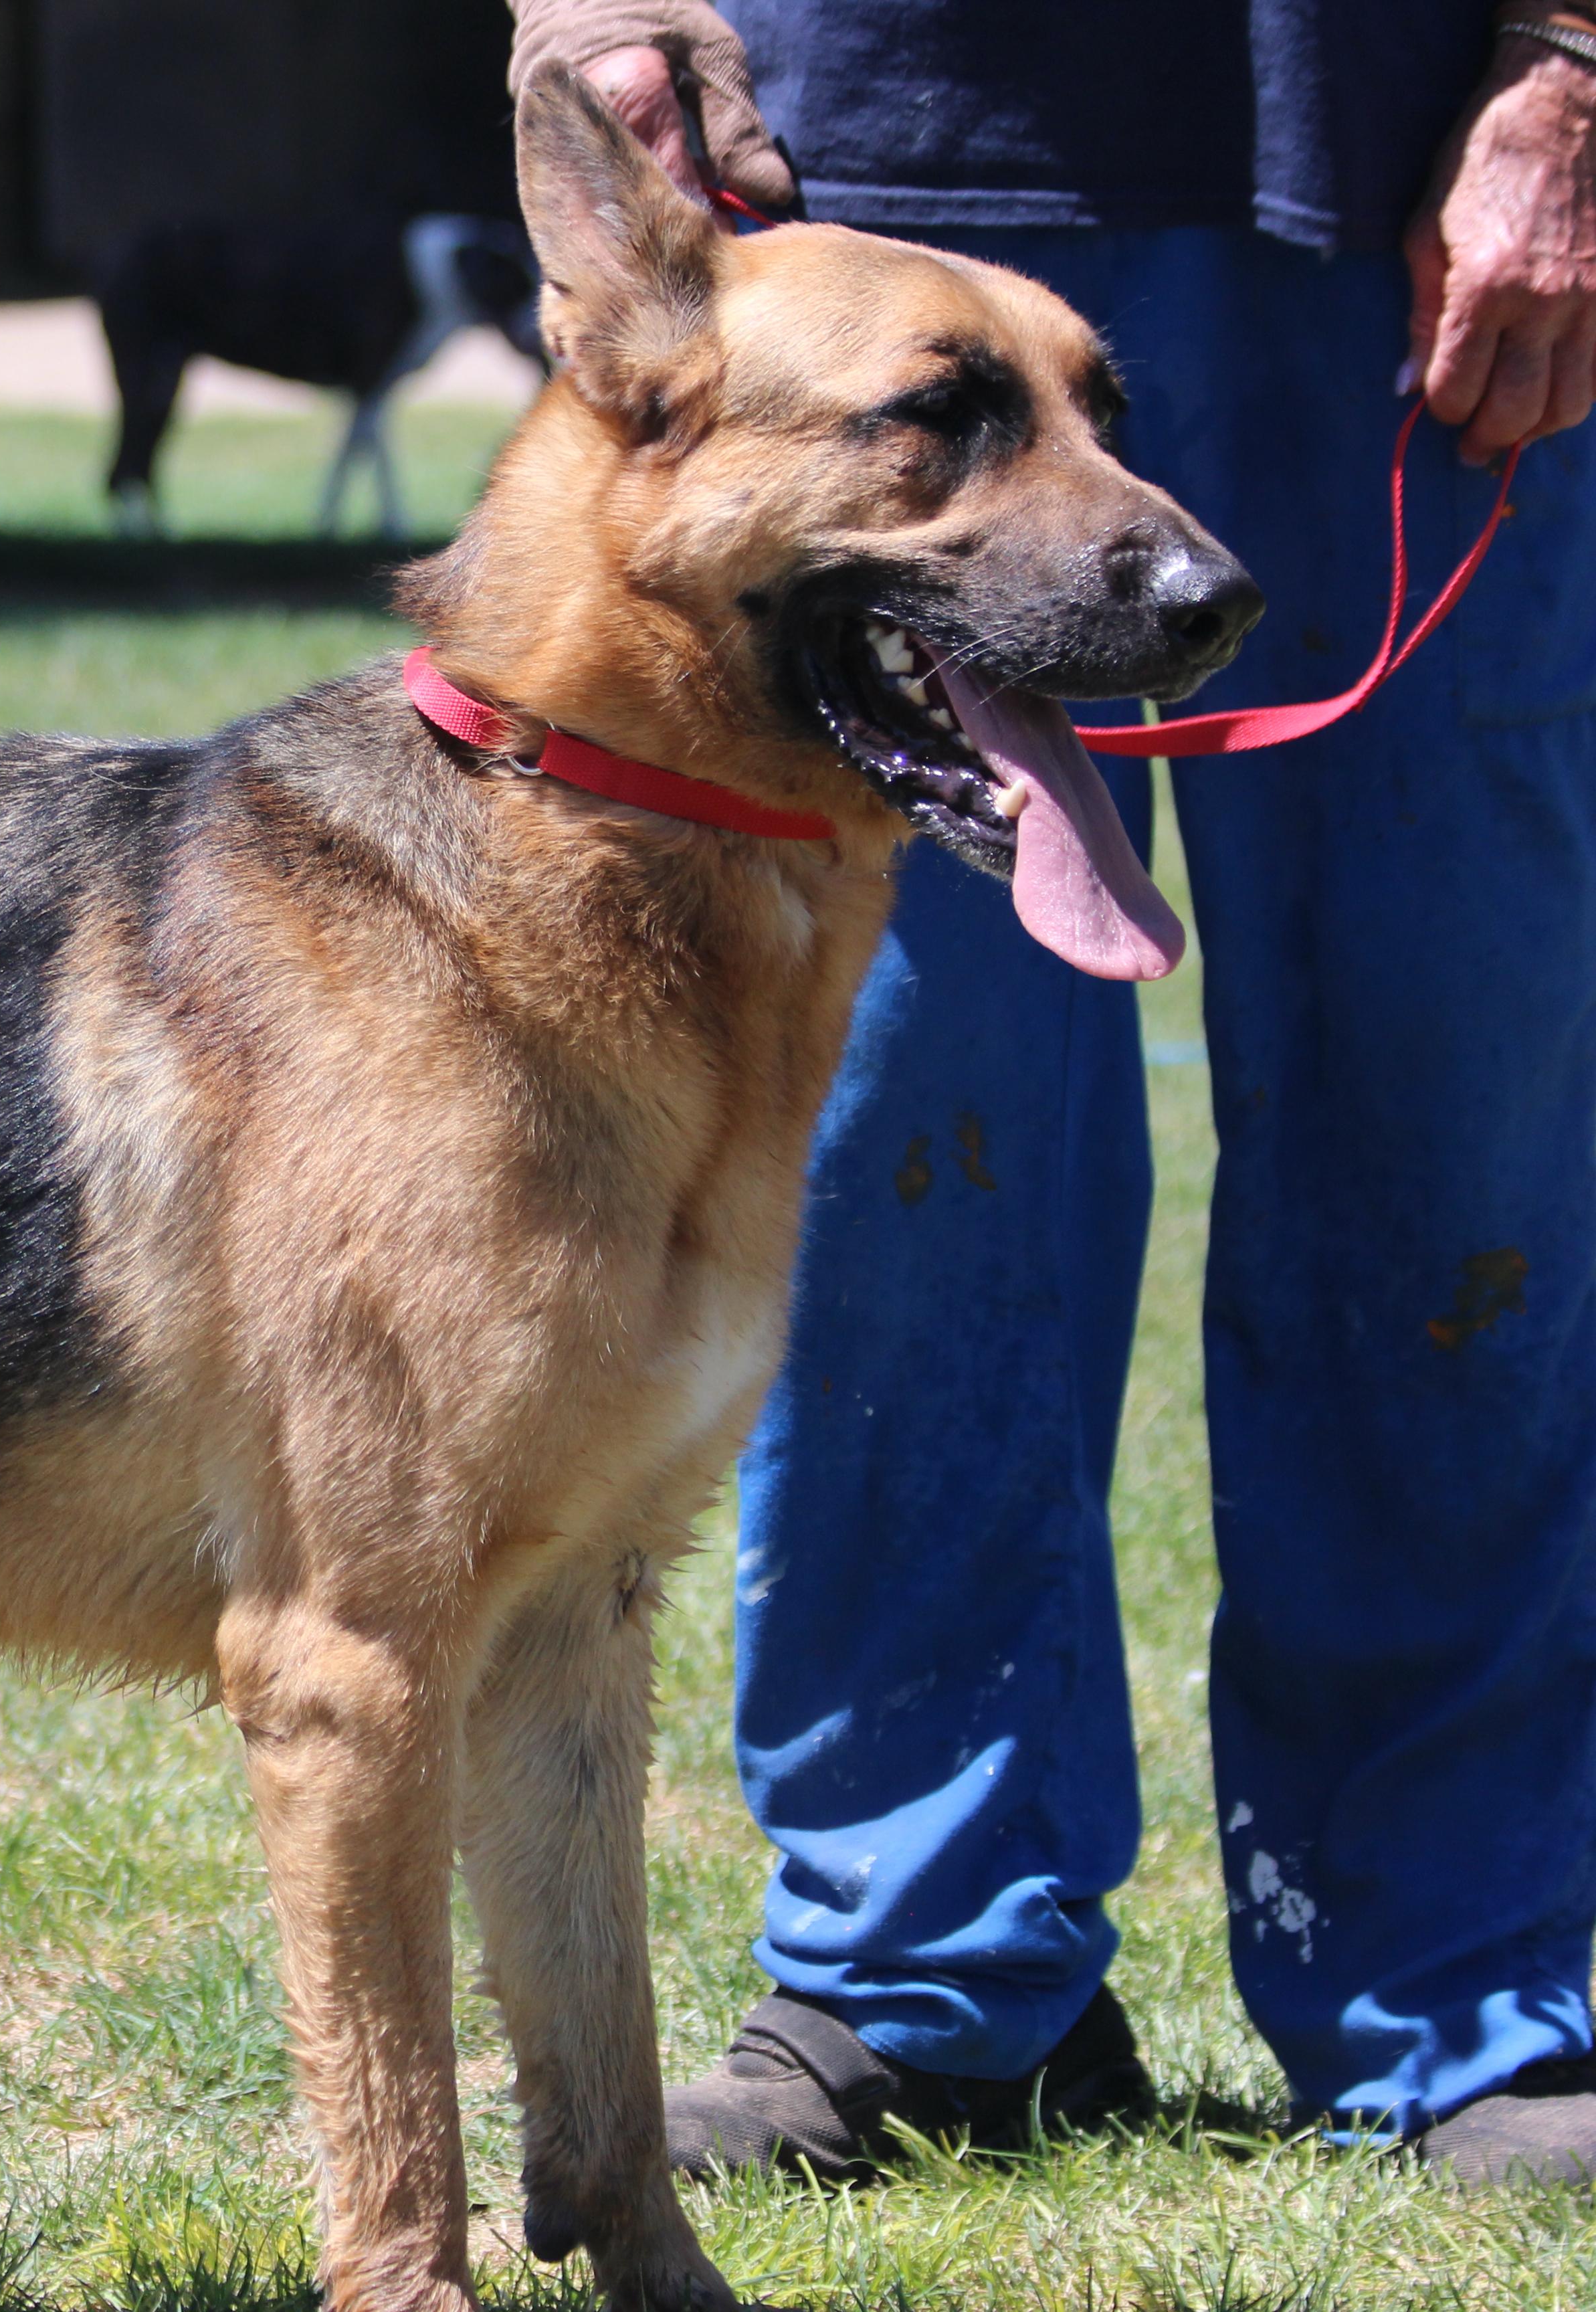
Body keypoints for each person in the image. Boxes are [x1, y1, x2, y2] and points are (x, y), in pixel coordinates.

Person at [498, 0, 1596, 2182]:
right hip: (862, 153)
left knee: (1451, 1129)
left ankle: (1469, 1985)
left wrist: (1571, 67)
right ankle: (921, 1967)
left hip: (1410, 156)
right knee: (900, 1174)